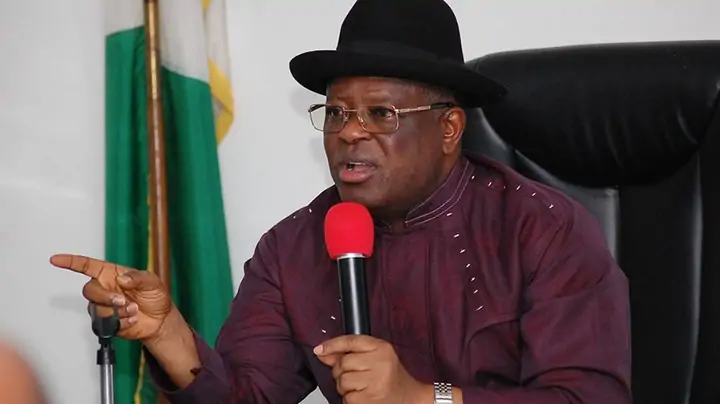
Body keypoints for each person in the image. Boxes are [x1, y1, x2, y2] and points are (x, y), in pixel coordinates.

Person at [50, 0, 632, 403]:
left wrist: (424, 398)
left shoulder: (543, 229)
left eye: (380, 113)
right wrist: (168, 334)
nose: (350, 132)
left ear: (449, 129)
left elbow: (588, 397)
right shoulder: (294, 248)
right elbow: (246, 397)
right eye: (336, 113)